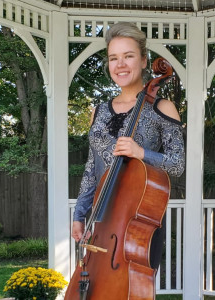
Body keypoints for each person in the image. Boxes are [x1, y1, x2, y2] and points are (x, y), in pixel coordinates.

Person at [71, 22, 185, 270]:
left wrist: (140, 153)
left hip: (139, 222)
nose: (120, 64)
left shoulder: (162, 108)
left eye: (128, 56)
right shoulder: (99, 111)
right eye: (113, 58)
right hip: (101, 221)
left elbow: (177, 164)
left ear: (144, 60)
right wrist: (79, 215)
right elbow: (91, 169)